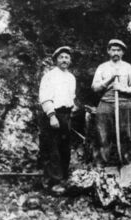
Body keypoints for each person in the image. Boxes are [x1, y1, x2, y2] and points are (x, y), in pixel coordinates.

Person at [91, 39, 131, 167]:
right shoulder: (102, 67)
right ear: (108, 51)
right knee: (102, 136)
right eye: (113, 49)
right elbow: (95, 88)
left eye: (119, 50)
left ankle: (127, 165)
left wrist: (123, 89)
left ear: (123, 52)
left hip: (124, 103)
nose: (116, 52)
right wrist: (110, 79)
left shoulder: (128, 67)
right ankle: (100, 166)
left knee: (126, 136)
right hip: (106, 103)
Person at [39, 46, 77, 193]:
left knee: (64, 148)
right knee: (52, 148)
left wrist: (71, 113)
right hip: (53, 115)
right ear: (55, 60)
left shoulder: (71, 78)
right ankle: (53, 182)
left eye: (67, 57)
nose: (64, 60)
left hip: (66, 116)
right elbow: (45, 97)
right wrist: (52, 115)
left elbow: (71, 98)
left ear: (70, 61)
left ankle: (62, 179)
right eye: (61, 57)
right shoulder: (49, 76)